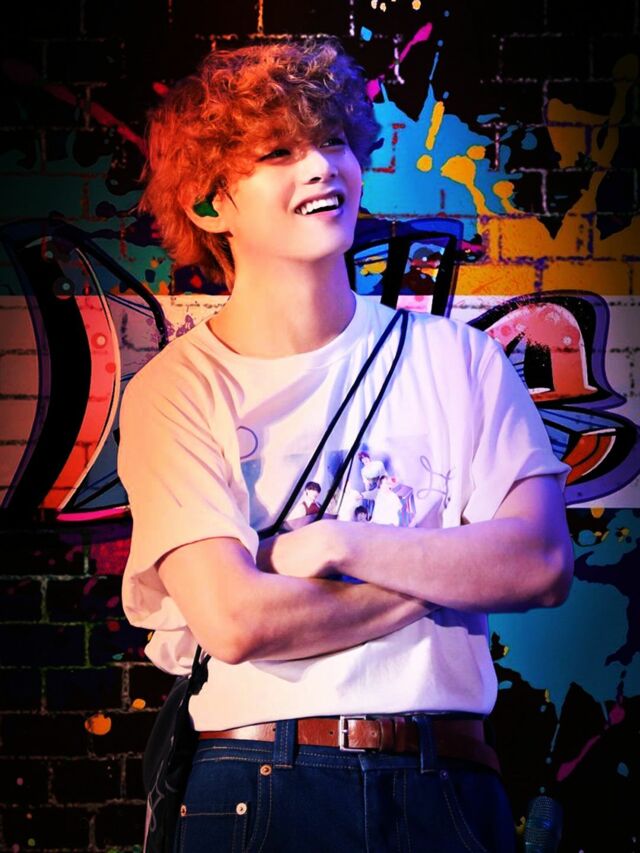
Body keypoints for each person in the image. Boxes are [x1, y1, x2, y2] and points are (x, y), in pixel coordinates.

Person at [119, 37, 573, 852]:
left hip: (449, 777)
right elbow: (236, 619)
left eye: (333, 140)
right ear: (210, 204)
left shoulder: (458, 357)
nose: (322, 168)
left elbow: (540, 562)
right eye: (278, 153)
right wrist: (447, 572)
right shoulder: (178, 390)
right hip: (261, 781)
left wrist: (341, 544)